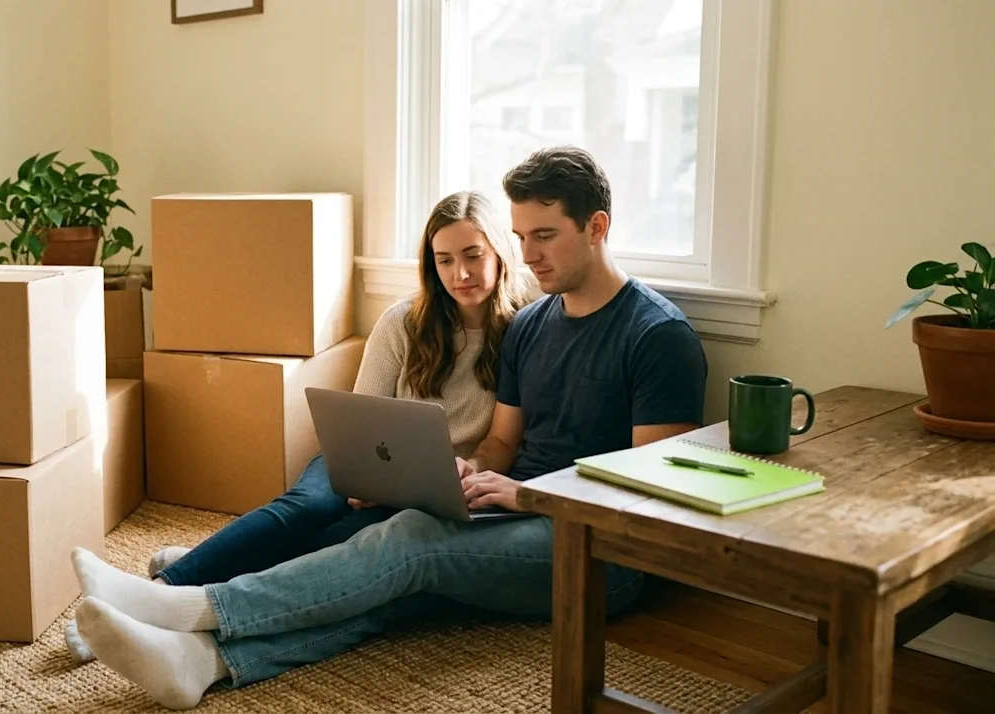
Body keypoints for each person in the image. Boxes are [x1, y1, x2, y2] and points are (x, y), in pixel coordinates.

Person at [66, 145, 710, 709]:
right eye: (520, 236)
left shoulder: (656, 336)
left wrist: (525, 494)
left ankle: (194, 605)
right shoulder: (536, 327)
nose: (528, 254)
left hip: (601, 554)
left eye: (544, 235)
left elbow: (645, 496)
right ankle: (204, 663)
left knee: (407, 542)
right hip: (516, 517)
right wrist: (473, 472)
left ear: (597, 226)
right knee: (392, 590)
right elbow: (504, 443)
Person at [65, 189, 527, 662]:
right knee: (304, 508)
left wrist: (464, 467)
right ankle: (164, 587)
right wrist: (369, 474)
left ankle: (202, 578)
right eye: (445, 260)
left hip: (433, 490)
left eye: (473, 256)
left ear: (500, 253)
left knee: (337, 546)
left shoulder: (522, 332)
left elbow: (502, 439)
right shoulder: (402, 321)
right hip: (364, 461)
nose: (460, 274)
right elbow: (361, 416)